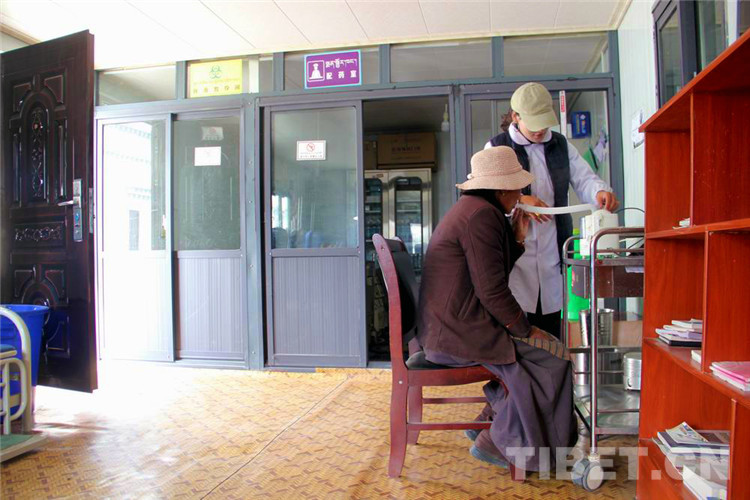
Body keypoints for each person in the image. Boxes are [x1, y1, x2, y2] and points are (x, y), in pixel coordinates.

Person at [416, 145, 577, 473]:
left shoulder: (475, 210)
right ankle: (500, 441)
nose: (519, 196)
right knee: (554, 358)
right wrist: (525, 330)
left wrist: (517, 237)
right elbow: (492, 290)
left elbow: (490, 272)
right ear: (501, 189)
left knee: (541, 351)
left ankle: (492, 421)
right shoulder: (481, 216)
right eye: (516, 188)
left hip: (447, 329)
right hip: (457, 334)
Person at [485, 82, 619, 338]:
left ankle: (550, 362)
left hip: (552, 250)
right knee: (514, 328)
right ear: (516, 117)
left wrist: (599, 192)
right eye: (534, 124)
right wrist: (521, 200)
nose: (540, 131)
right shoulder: (497, 147)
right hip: (514, 254)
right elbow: (487, 195)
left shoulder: (561, 145)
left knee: (550, 328)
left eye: (544, 124)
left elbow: (584, 179)